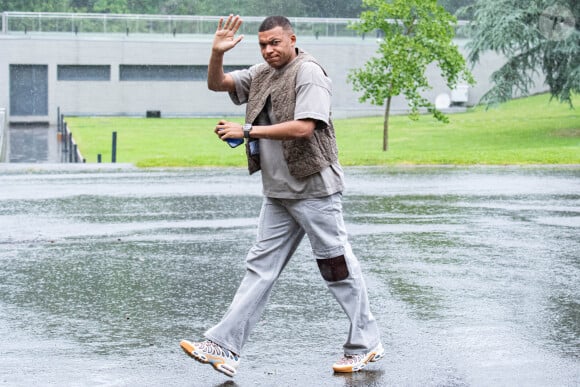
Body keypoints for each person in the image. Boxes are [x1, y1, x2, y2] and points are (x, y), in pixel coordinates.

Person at [180, 14, 383, 377]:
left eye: (275, 42)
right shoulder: (261, 72)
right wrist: (216, 53)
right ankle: (224, 346)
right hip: (278, 194)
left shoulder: (309, 73)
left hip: (314, 190)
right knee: (259, 269)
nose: (269, 50)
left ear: (292, 39)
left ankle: (365, 344)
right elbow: (218, 83)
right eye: (263, 44)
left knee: (336, 268)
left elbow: (305, 127)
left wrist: (247, 129)